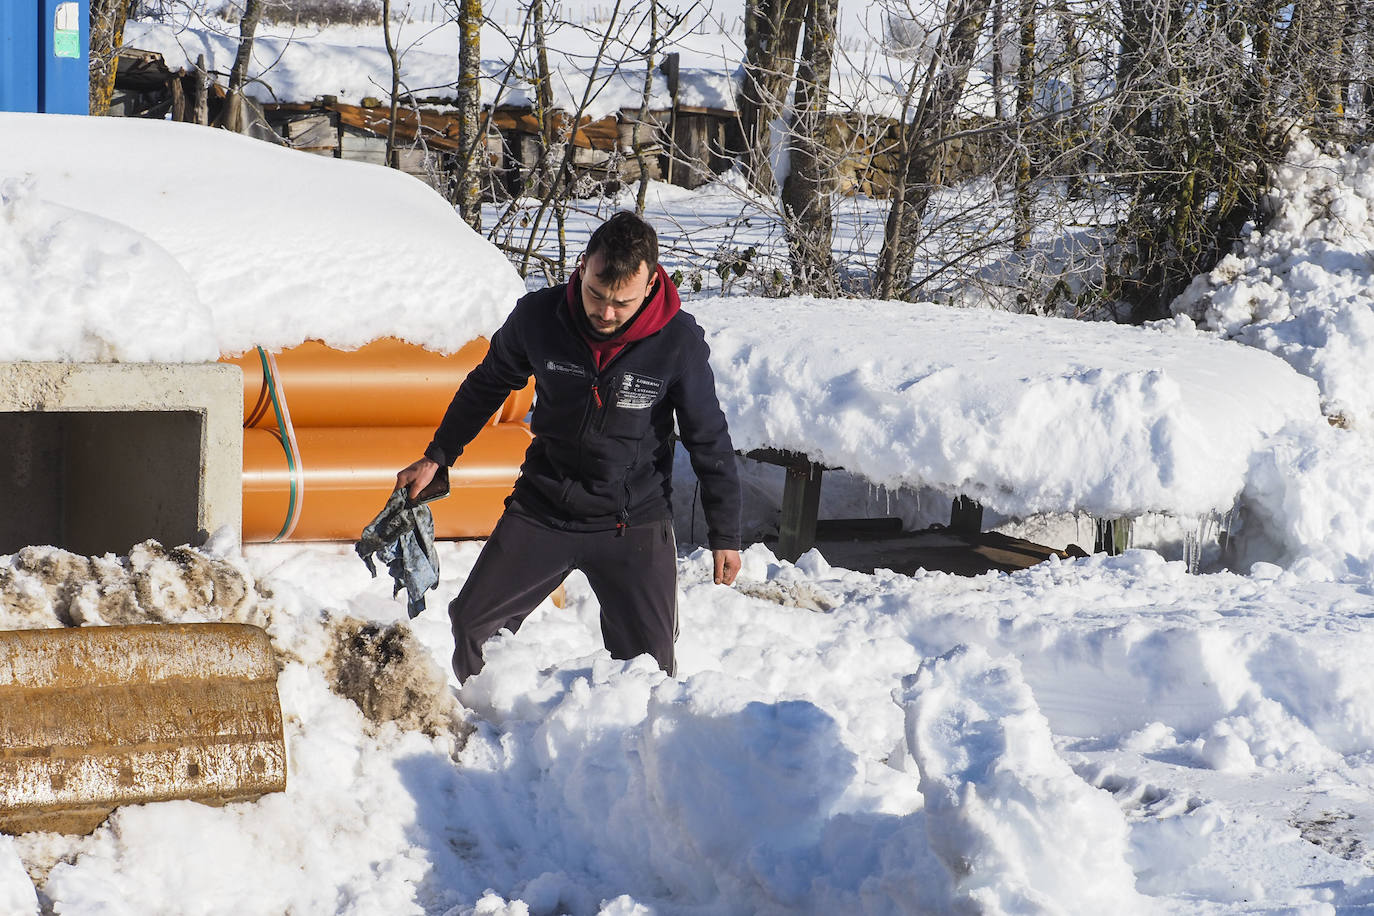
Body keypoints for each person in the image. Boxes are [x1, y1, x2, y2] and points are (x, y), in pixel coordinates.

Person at [396, 211, 741, 682]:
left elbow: (708, 437)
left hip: (632, 519)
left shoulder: (677, 342)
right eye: (596, 294)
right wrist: (438, 455)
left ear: (650, 285)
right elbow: (487, 385)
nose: (606, 312)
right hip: (545, 505)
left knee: (650, 669)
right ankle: (494, 728)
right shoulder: (540, 318)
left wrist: (725, 533)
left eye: (622, 302)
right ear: (582, 267)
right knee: (472, 624)